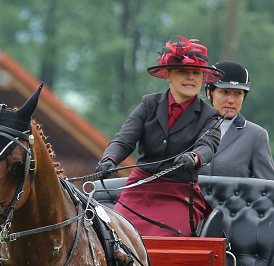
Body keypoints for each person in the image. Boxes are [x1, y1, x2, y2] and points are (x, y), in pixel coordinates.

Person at [96, 37, 224, 237]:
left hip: (179, 194)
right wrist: (109, 159)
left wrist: (194, 157)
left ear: (202, 78)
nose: (190, 78)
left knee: (167, 238)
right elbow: (124, 140)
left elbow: (208, 146)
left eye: (196, 73)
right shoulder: (148, 105)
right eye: (183, 71)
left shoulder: (211, 115)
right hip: (139, 188)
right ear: (168, 75)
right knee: (115, 235)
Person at [198, 61, 274, 180]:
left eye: (238, 93)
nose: (231, 100)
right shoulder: (190, 127)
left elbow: (268, 188)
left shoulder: (255, 136)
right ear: (209, 93)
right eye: (224, 92)